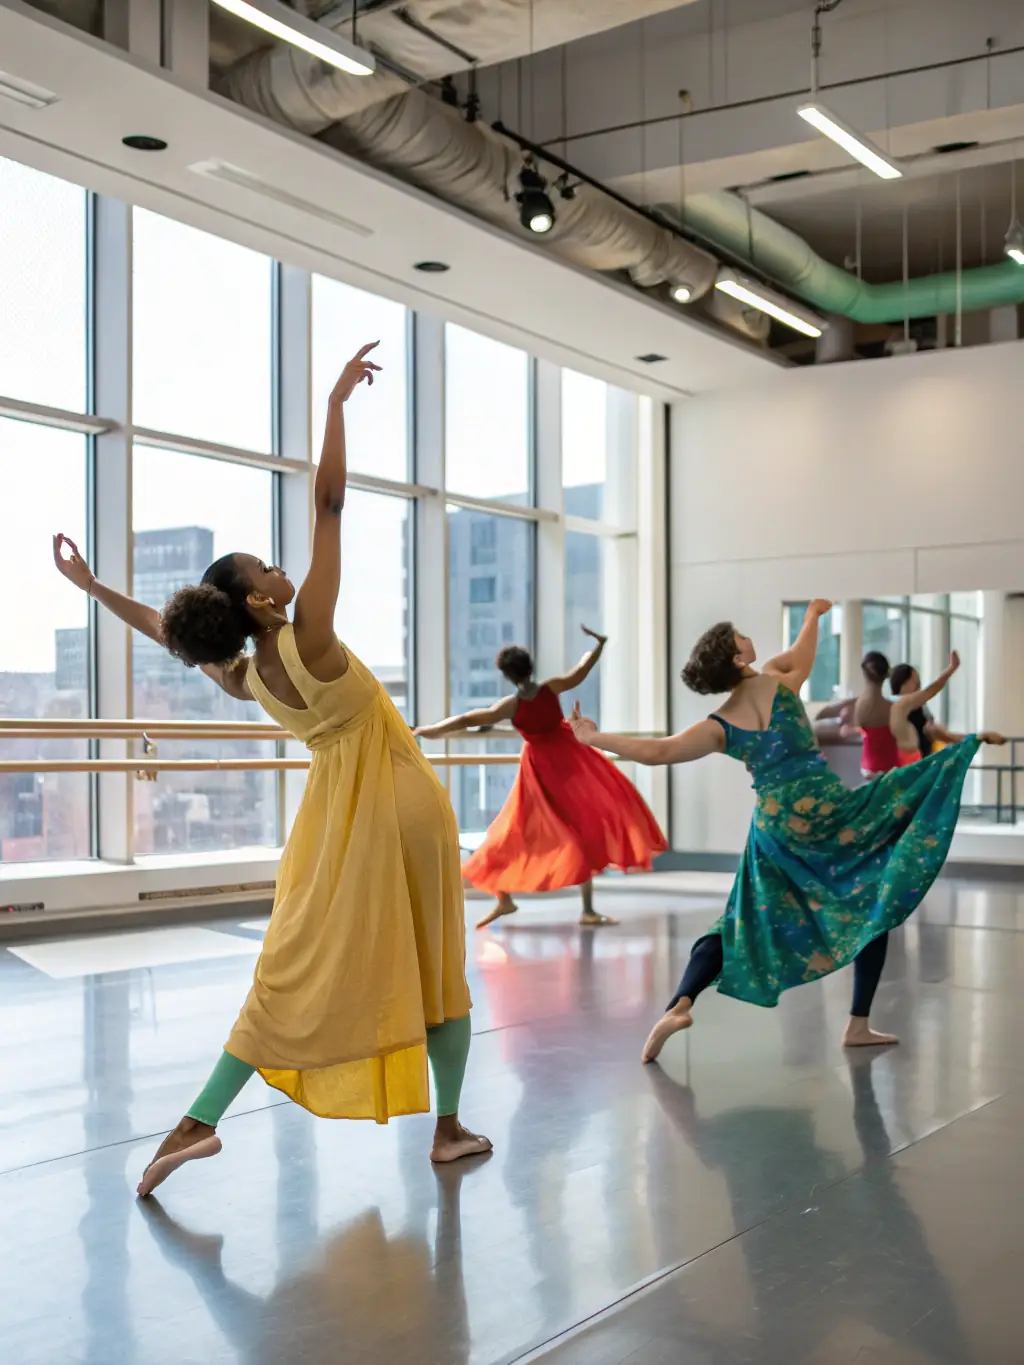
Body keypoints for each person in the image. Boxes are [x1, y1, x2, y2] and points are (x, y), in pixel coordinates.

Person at [53, 342, 490, 1197]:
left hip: (332, 822)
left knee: (292, 965)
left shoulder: (249, 673)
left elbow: (164, 631)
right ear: (260, 601)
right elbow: (330, 505)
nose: (282, 565)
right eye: (267, 566)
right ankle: (446, 1127)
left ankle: (199, 1120)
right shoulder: (310, 636)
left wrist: (95, 587)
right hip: (402, 802)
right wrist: (332, 403)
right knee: (439, 969)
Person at [569, 601, 1005, 1061]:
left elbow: (658, 752)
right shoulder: (779, 683)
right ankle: (857, 1023)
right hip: (827, 809)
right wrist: (815, 616)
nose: (745, 635)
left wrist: (594, 738)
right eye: (738, 635)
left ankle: (680, 1002)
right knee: (872, 900)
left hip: (776, 825)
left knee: (741, 916)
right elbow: (802, 655)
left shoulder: (718, 724)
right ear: (739, 658)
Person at [415, 628, 667, 929]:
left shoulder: (511, 706)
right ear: (530, 667)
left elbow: (469, 719)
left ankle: (508, 899)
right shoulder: (550, 689)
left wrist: (430, 730)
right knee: (580, 830)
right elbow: (582, 671)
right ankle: (582, 909)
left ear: (506, 676)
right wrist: (599, 645)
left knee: (514, 830)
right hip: (571, 761)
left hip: (543, 770)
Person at [890, 660, 966, 762]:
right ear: (903, 683)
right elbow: (933, 688)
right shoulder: (899, 706)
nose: (919, 687)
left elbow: (934, 728)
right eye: (916, 683)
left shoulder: (890, 706)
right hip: (913, 766)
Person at [853, 650, 901, 778]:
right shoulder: (893, 708)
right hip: (892, 769)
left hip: (869, 769)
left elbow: (856, 730)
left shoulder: (860, 706)